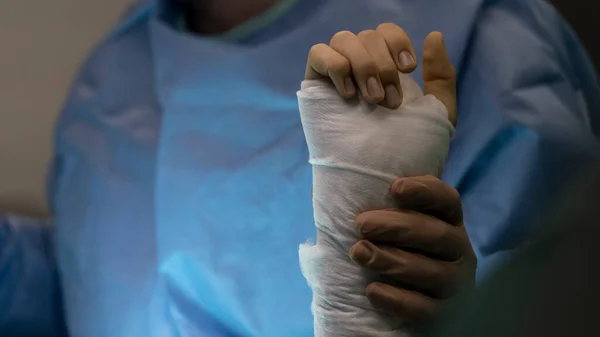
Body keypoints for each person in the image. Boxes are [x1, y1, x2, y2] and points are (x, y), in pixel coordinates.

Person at [0, 0, 598, 336]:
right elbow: (99, 284)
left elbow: (553, 298)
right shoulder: (116, 68)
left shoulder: (476, 37)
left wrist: (461, 322)